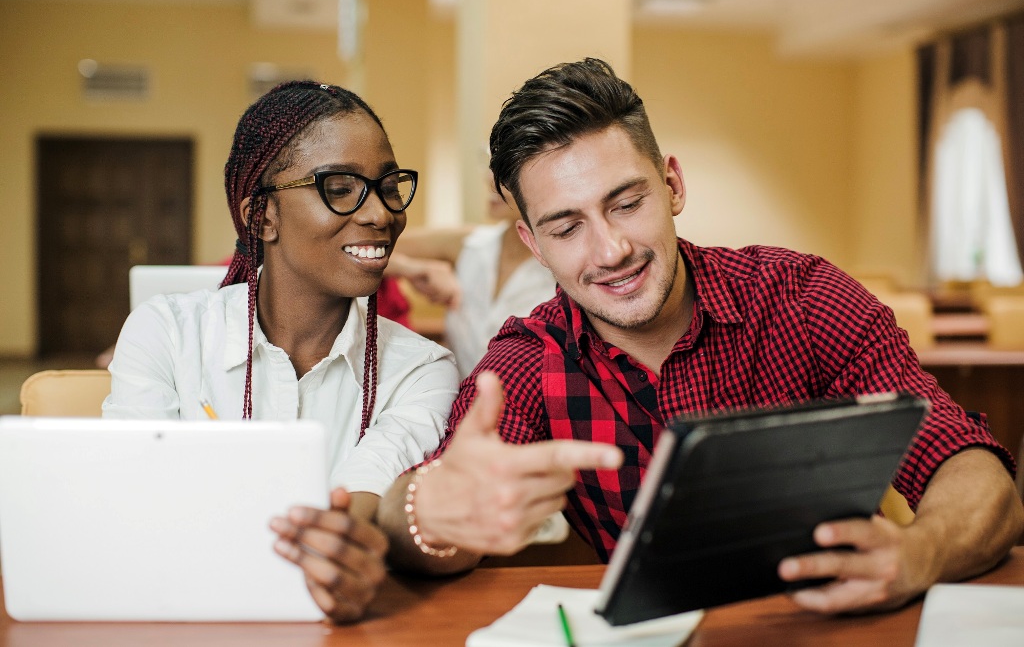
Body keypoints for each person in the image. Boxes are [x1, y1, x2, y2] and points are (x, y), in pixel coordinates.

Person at [376, 58, 1024, 614]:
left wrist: (919, 552)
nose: (612, 250)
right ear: (533, 243)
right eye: (567, 226)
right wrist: (427, 513)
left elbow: (970, 468)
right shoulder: (525, 364)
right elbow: (427, 517)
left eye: (627, 203)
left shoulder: (802, 299)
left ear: (673, 185)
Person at [103, 81, 459, 622]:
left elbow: (369, 486)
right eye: (340, 187)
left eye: (389, 185)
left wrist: (342, 548)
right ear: (261, 216)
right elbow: (135, 508)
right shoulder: (166, 334)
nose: (382, 214)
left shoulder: (422, 368)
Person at [387, 181, 556, 378]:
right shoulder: (468, 244)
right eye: (491, 163)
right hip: (455, 404)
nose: (491, 180)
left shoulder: (565, 267)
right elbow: (362, 250)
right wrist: (412, 269)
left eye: (507, 173)